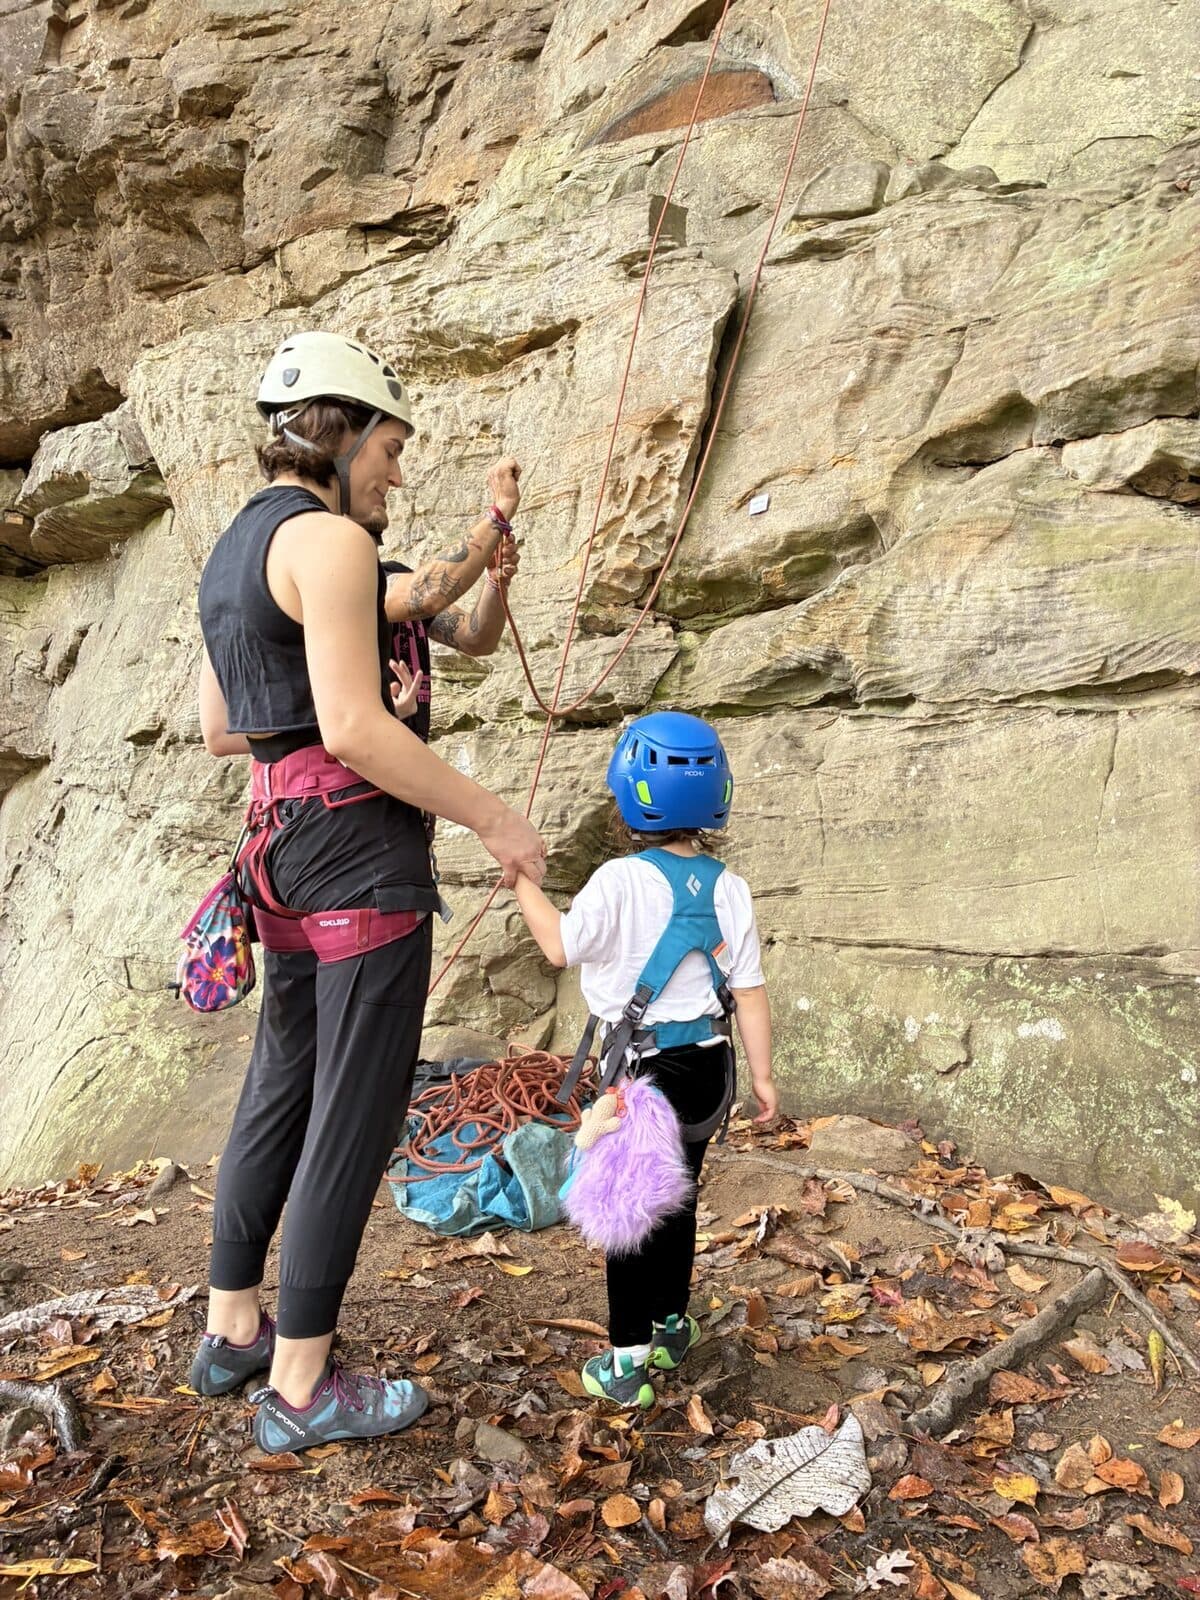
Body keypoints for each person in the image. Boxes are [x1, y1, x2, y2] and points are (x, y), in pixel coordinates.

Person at [189, 330, 545, 1453]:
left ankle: (233, 1328)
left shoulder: (239, 551)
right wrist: (491, 814)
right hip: (357, 853)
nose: (398, 469)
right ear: (340, 433)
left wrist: (482, 564)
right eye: (391, 444)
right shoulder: (334, 543)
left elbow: (221, 726)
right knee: (354, 1108)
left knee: (285, 1084)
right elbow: (353, 726)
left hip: (279, 850)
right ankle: (301, 1388)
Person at [512, 711, 777, 1408]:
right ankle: (670, 1325)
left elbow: (559, 948)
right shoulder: (730, 887)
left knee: (632, 1209)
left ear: (631, 794)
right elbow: (747, 991)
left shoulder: (616, 881)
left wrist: (522, 886)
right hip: (707, 1067)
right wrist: (765, 1077)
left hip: (641, 1074)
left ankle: (628, 1359)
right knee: (676, 1198)